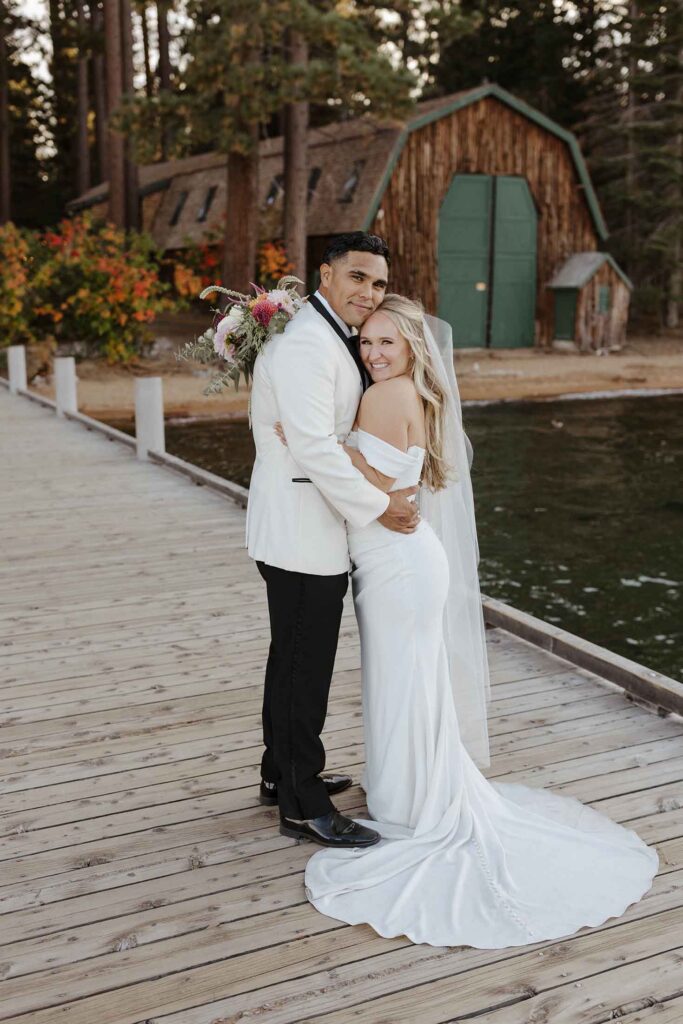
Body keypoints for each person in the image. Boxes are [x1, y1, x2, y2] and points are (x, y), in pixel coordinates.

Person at [283, 293, 659, 948]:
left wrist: (313, 443)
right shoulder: (409, 394)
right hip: (400, 560)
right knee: (408, 685)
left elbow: (367, 484)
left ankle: (411, 808)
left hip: (397, 565)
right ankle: (409, 796)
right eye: (366, 342)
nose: (372, 354)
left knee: (402, 685)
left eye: (385, 344)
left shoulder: (386, 396)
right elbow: (393, 485)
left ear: (409, 350)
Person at [246, 232, 420, 849]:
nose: (368, 292)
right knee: (304, 663)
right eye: (357, 278)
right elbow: (316, 448)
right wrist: (380, 507)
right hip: (300, 527)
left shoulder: (330, 336)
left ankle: (278, 773)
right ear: (325, 275)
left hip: (309, 522)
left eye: (377, 283)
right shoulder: (306, 347)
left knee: (289, 656)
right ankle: (302, 800)